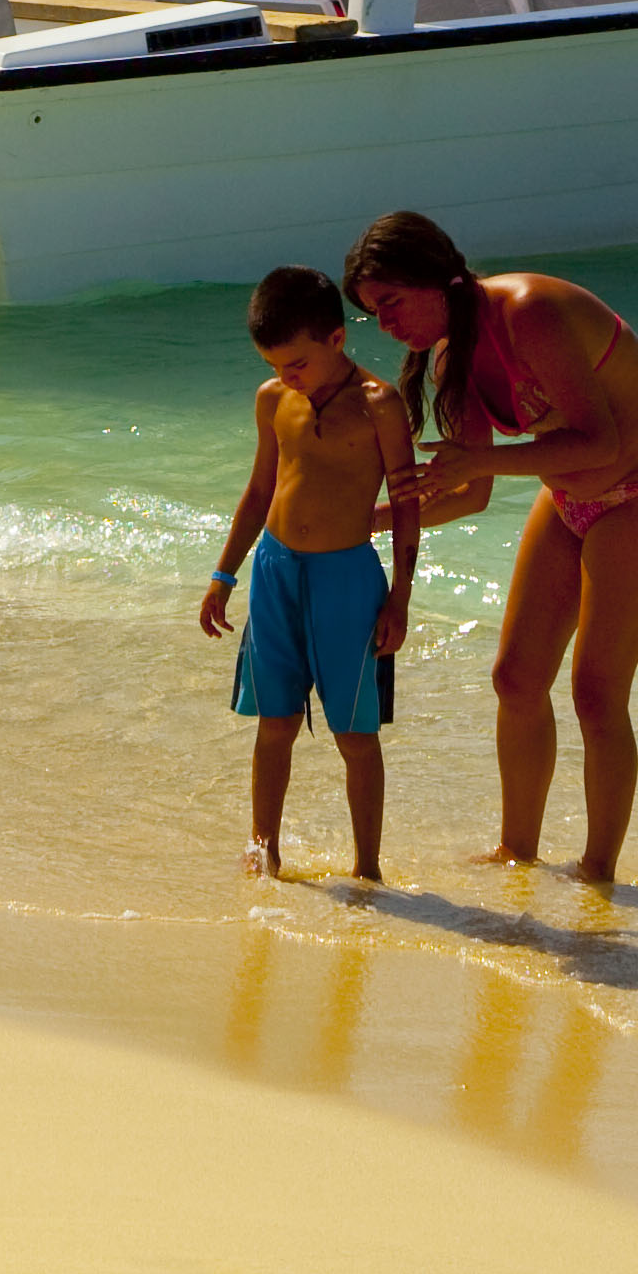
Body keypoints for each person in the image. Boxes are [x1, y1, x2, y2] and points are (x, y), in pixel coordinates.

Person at [344, 209, 638, 885]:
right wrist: (367, 520)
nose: (386, 326)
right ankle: (519, 851)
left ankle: (597, 872)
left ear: (437, 278)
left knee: (596, 693)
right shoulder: (453, 354)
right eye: (373, 314)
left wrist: (479, 462)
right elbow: (469, 493)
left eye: (391, 303)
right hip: (569, 498)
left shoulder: (530, 311)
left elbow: (602, 443)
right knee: (515, 678)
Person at [201, 265, 423, 882]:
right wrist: (224, 575)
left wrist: (400, 598)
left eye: (295, 364)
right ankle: (263, 853)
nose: (284, 377)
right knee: (275, 723)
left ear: (335, 339)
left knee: (355, 734)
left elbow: (408, 510)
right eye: (274, 364)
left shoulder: (380, 406)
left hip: (346, 580)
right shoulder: (274, 399)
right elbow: (258, 489)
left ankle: (367, 870)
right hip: (276, 571)